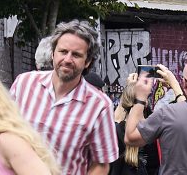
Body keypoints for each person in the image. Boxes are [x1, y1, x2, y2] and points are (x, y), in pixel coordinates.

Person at [11, 20, 117, 175]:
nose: (67, 60)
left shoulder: (99, 106)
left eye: (76, 55)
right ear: (53, 53)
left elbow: (101, 164)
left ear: (87, 62)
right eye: (63, 51)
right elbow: (1, 133)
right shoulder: (24, 84)